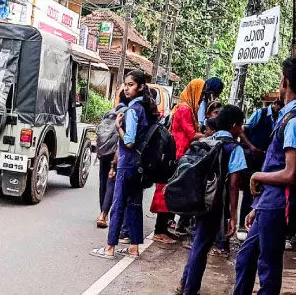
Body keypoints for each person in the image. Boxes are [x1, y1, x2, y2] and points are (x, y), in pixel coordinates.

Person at [234, 53, 296, 295]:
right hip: (268, 203)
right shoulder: (289, 118)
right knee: (246, 258)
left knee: (268, 268)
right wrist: (257, 205)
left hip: (278, 204)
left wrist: (256, 177)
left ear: (285, 82)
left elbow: (290, 173)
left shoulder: (295, 123)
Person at [177, 105, 247, 295]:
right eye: (240, 126)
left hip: (196, 199)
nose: (241, 130)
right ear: (234, 126)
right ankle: (190, 289)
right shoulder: (234, 148)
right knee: (201, 246)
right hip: (213, 204)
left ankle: (184, 283)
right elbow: (233, 185)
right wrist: (233, 216)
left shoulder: (207, 140)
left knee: (198, 241)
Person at [90, 70, 157, 260]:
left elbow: (128, 141)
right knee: (135, 204)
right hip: (140, 165)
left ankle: (110, 247)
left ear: (141, 87)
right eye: (126, 85)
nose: (127, 89)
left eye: (131, 85)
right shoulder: (146, 109)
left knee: (119, 204)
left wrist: (118, 126)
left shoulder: (133, 110)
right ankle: (134, 247)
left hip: (128, 163)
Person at [151, 78, 206, 243]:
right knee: (168, 191)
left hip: (179, 154)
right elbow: (191, 134)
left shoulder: (186, 108)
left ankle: (165, 228)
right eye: (201, 92)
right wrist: (210, 135)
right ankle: (159, 230)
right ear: (194, 92)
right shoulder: (184, 109)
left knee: (172, 191)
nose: (202, 96)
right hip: (177, 155)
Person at [238, 99, 283, 236]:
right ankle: (241, 225)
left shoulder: (279, 118)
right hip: (252, 156)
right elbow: (243, 131)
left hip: (264, 159)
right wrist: (251, 147)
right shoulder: (260, 113)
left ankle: (253, 224)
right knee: (248, 189)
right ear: (275, 104)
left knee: (259, 190)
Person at [96, 91, 130, 229]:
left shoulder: (109, 112)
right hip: (116, 151)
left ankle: (101, 211)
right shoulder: (127, 113)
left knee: (103, 181)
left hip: (103, 150)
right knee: (112, 182)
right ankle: (104, 215)